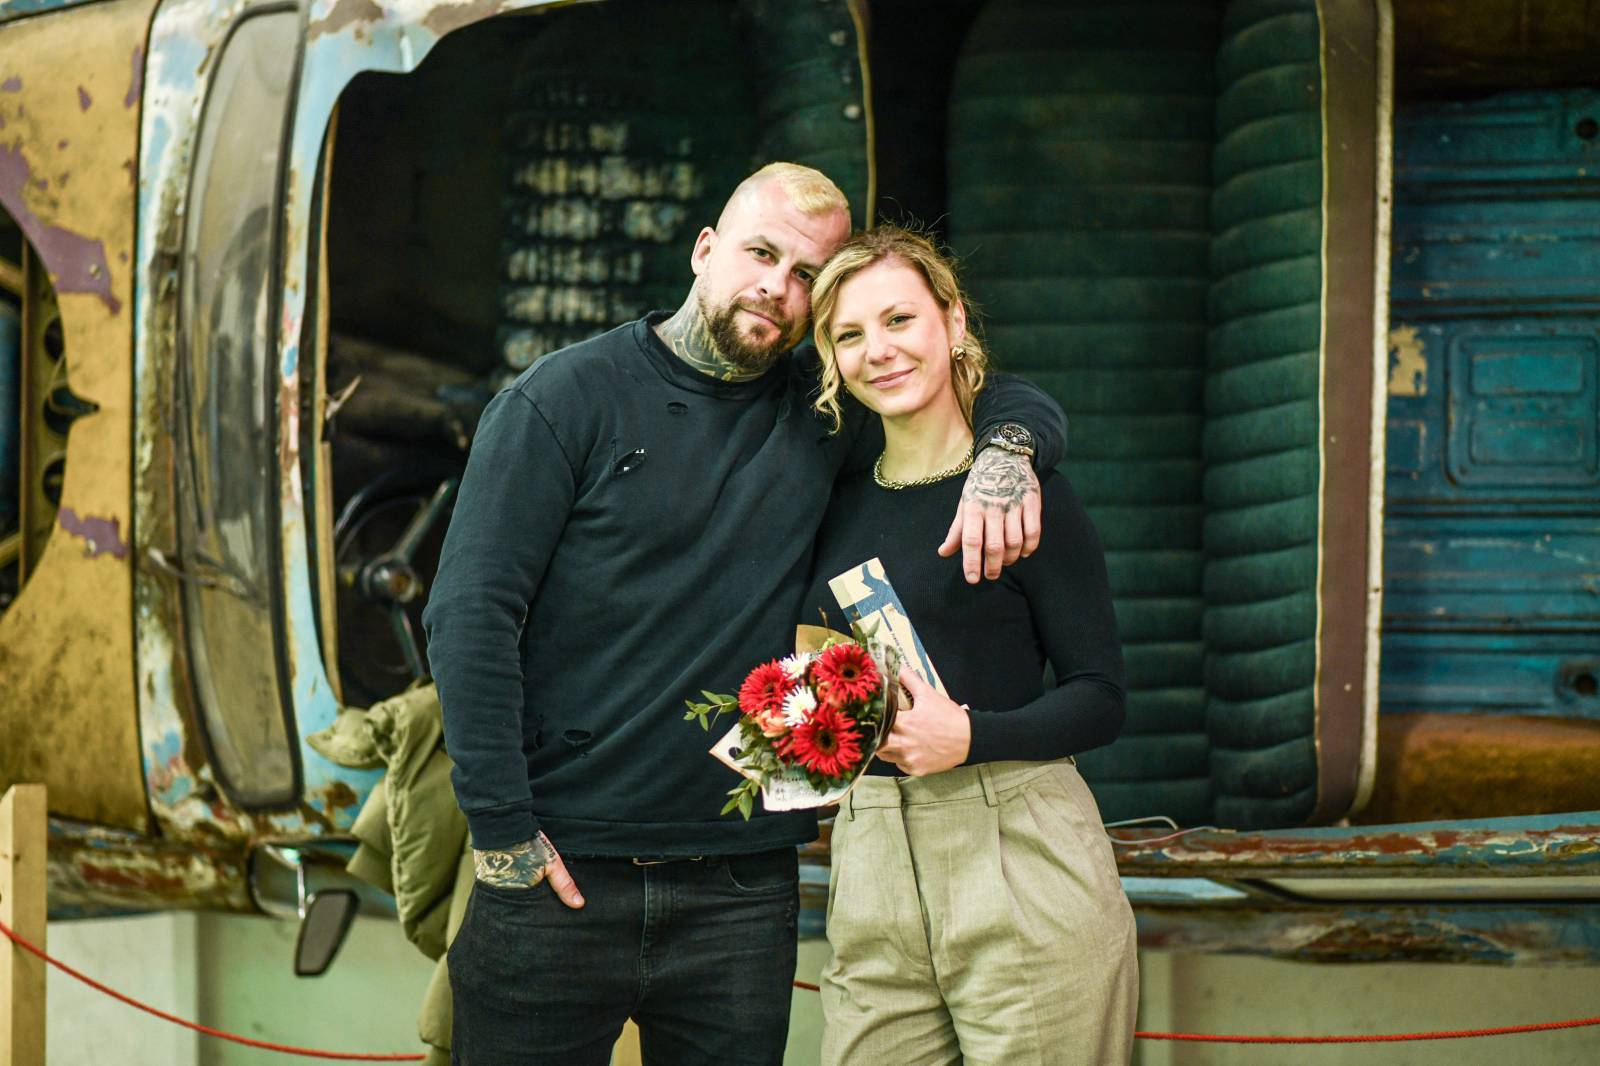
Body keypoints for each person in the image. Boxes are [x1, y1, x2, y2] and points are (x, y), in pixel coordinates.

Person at [422, 164, 1068, 1065]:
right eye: (762, 254)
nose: (779, 286)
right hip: (561, 874)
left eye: (810, 275)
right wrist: (502, 838)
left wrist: (1011, 450)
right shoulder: (564, 400)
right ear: (705, 249)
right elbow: (468, 617)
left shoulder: (825, 411)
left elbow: (975, 390)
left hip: (741, 890)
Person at [800, 226, 1137, 1065]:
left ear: (952, 324)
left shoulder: (1023, 496)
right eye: (849, 334)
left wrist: (974, 735)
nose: (878, 350)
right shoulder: (828, 499)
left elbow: (1102, 695)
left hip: (1016, 849)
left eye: (899, 320)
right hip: (871, 855)